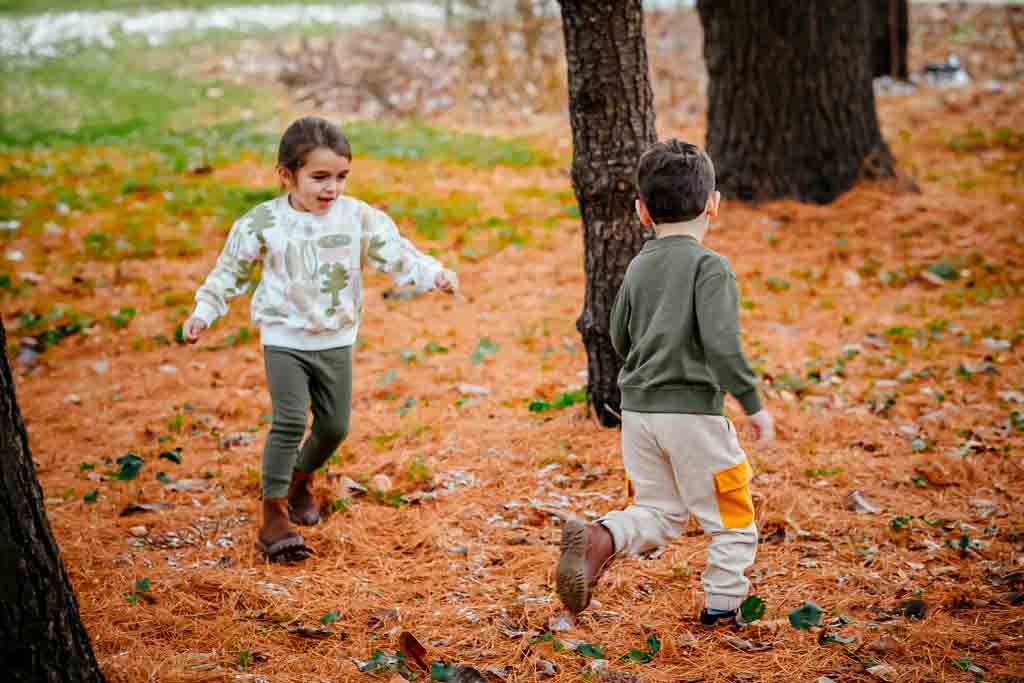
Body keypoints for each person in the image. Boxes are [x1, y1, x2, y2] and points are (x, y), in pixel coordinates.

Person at [182, 116, 458, 562]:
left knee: (334, 427)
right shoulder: (263, 222)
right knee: (290, 421)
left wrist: (434, 274)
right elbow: (229, 270)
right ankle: (272, 514)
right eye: (320, 177)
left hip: (335, 338)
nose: (332, 188)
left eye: (341, 177)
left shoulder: (358, 218)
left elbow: (397, 253)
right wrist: (204, 311)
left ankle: (298, 480)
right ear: (286, 175)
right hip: (284, 336)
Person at [555, 139, 774, 626]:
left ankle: (601, 538)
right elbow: (721, 344)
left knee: (659, 510)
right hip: (692, 413)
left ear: (642, 212)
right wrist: (752, 402)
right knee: (732, 519)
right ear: (713, 204)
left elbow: (617, 334)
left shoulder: (639, 264)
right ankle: (722, 608)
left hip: (637, 412)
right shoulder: (708, 266)